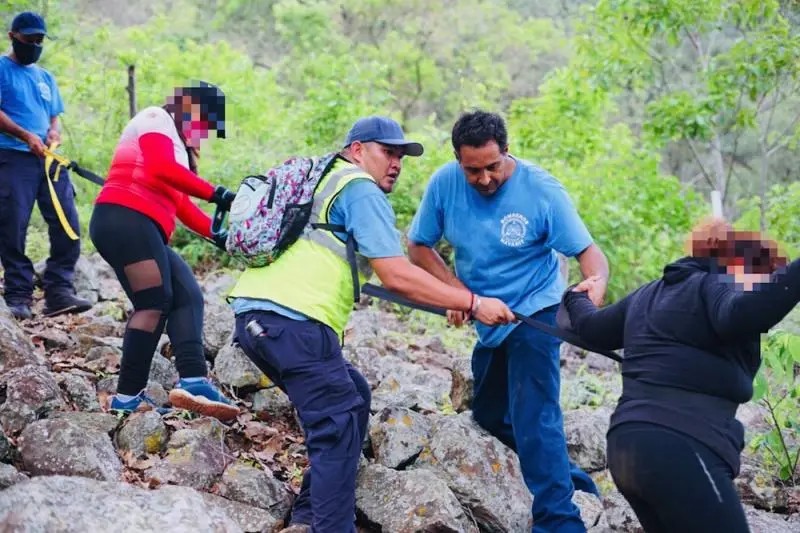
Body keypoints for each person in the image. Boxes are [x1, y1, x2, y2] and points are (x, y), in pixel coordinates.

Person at [228, 115, 516, 532]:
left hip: (259, 318)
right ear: (358, 149)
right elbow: (396, 274)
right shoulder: (359, 189)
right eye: (387, 152)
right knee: (338, 418)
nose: (396, 162)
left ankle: (309, 516)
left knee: (353, 393)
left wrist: (453, 299)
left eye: (401, 155)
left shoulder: (323, 180)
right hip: (293, 321)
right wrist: (472, 301)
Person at [407, 110, 608, 533]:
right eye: (473, 170)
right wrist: (459, 294)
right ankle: (572, 481)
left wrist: (596, 283)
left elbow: (590, 255)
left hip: (536, 312)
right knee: (491, 415)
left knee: (536, 414)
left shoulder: (541, 190)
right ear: (458, 161)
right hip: (487, 315)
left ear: (506, 152)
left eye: (492, 167)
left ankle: (560, 521)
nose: (484, 179)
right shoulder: (445, 183)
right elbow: (419, 246)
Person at [559, 218, 800, 533]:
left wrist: (576, 297)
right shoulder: (717, 283)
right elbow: (743, 314)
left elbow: (592, 328)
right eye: (763, 276)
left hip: (626, 447)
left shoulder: (647, 295)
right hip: (682, 446)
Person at [89, 82, 238, 421]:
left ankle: (194, 381)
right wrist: (217, 194)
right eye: (206, 124)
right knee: (153, 303)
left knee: (187, 295)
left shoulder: (177, 147)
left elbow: (181, 204)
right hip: (125, 217)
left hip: (143, 227)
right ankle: (126, 398)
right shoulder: (156, 118)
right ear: (189, 108)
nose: (205, 134)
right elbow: (159, 167)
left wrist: (223, 238)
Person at [0, 11, 92, 320]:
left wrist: (53, 132)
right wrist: (25, 135)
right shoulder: (2, 69)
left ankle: (59, 291)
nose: (36, 45)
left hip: (48, 159)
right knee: (13, 225)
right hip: (12, 158)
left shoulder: (45, 77)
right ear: (14, 37)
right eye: (30, 40)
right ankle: (17, 294)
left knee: (67, 222)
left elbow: (53, 114)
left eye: (41, 40)